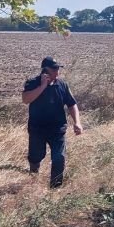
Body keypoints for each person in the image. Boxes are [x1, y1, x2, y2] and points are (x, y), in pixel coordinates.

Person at [21, 56, 83, 188]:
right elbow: (26, 99)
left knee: (59, 157)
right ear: (45, 70)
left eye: (58, 68)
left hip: (57, 129)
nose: (57, 71)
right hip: (37, 128)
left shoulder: (62, 85)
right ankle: (33, 173)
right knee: (36, 156)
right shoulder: (32, 83)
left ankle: (55, 188)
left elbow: (72, 104)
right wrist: (43, 86)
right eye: (54, 68)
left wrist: (77, 122)